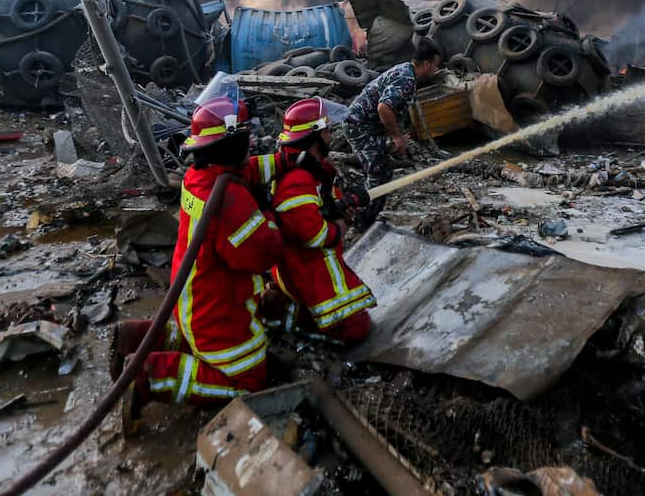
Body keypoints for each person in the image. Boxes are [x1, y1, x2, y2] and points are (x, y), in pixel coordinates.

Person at [110, 81, 284, 428]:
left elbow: (243, 171)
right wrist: (270, 215)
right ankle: (148, 377)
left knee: (197, 338)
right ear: (234, 143)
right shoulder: (232, 203)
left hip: (192, 298)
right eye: (246, 139)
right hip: (219, 311)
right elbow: (263, 255)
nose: (251, 146)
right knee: (249, 380)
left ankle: (141, 336)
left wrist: (286, 161)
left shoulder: (198, 176)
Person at [262, 98, 376, 340]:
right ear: (313, 136)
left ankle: (284, 307)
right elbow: (312, 234)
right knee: (357, 328)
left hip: (300, 265)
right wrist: (341, 226)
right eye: (326, 130)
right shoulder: (297, 180)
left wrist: (339, 208)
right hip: (307, 267)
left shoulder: (311, 169)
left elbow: (315, 208)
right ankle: (302, 324)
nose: (330, 136)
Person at [342, 37, 444, 226]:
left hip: (369, 125)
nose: (436, 70)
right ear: (427, 64)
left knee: (384, 172)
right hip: (360, 126)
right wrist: (397, 137)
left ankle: (368, 214)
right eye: (435, 66)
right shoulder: (406, 79)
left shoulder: (408, 71)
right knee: (377, 174)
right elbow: (384, 108)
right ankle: (361, 221)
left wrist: (403, 133)